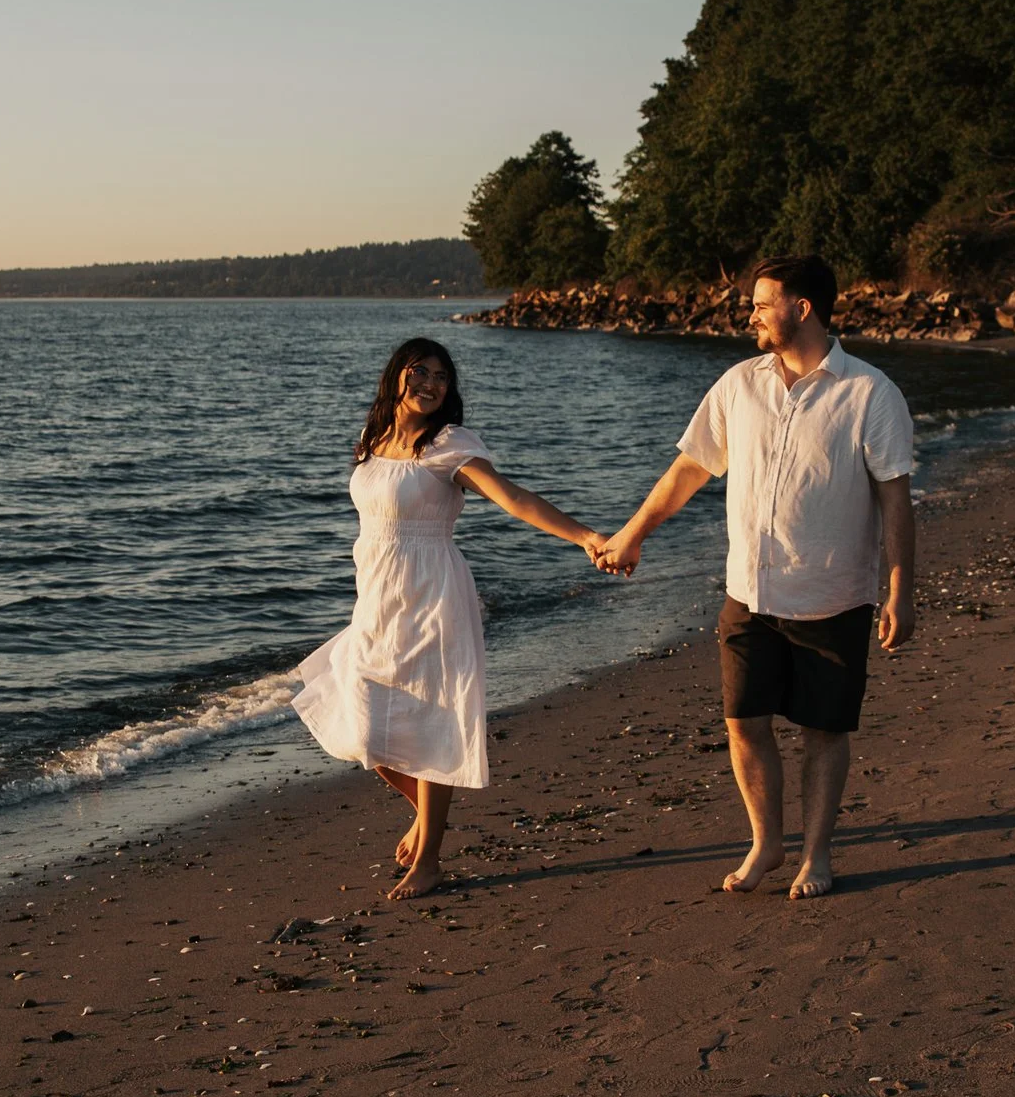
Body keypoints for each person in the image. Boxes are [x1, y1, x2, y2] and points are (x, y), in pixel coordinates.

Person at [600, 256, 916, 899]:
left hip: (832, 596)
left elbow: (895, 500)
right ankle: (767, 841)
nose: (750, 313)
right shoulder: (739, 384)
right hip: (750, 592)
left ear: (802, 308)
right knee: (744, 723)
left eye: (760, 302)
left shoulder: (870, 393)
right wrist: (632, 534)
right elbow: (689, 470)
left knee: (825, 732)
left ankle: (816, 854)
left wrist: (900, 590)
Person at [293, 337, 613, 900]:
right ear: (398, 374)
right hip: (376, 596)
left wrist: (585, 535)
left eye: (442, 377)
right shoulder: (373, 440)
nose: (431, 383)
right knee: (362, 724)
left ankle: (431, 859)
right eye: (421, 370)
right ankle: (425, 816)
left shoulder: (448, 446)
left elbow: (512, 497)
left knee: (432, 720)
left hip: (430, 594)